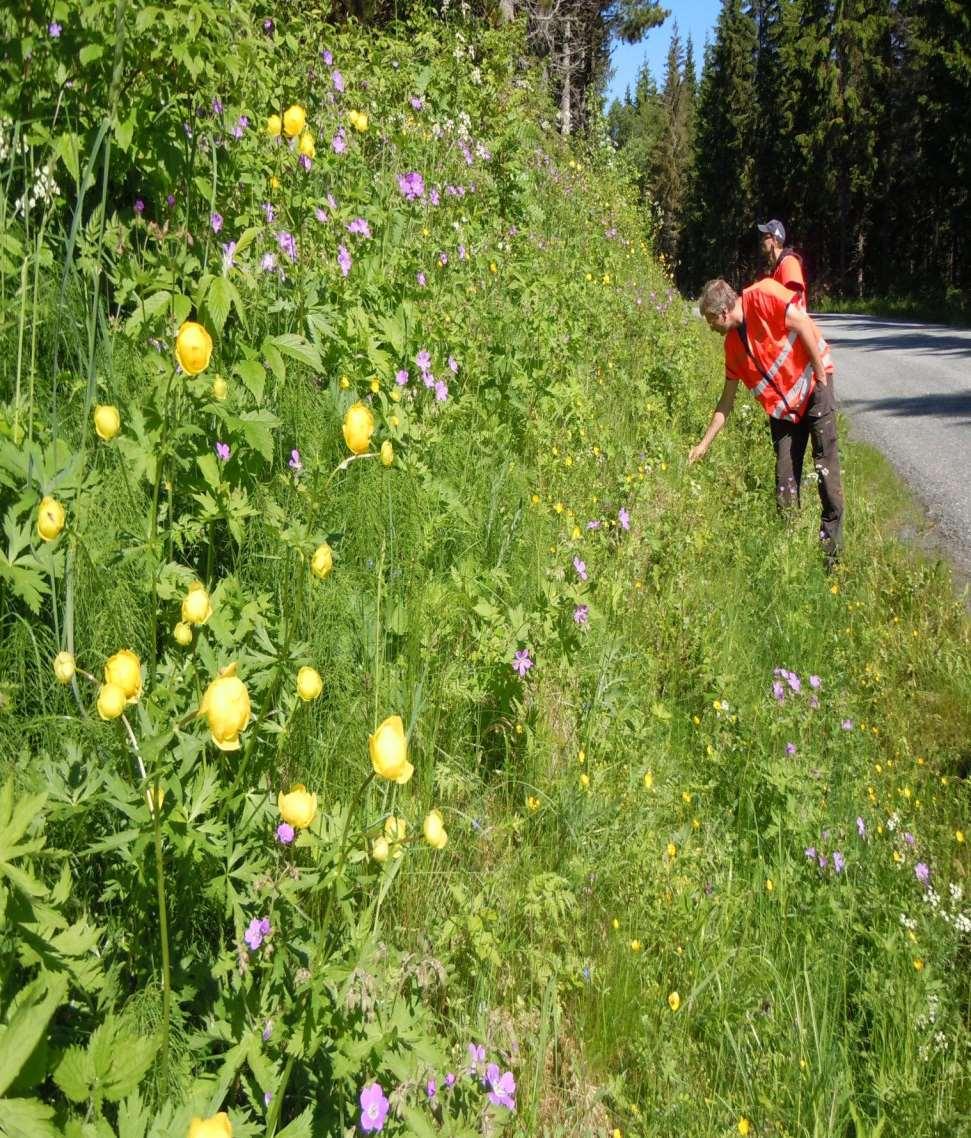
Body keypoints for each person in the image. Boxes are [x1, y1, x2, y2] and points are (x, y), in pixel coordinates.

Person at [688, 277, 844, 565]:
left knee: (824, 466)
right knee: (784, 478)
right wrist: (703, 445)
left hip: (813, 386)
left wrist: (821, 376)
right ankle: (791, 555)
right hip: (784, 412)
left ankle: (831, 556)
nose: (711, 328)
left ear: (723, 312)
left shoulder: (764, 294)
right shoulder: (733, 347)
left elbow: (802, 325)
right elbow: (726, 402)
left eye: (711, 321)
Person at [757, 219, 807, 308]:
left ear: (774, 240)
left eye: (765, 237)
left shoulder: (789, 263)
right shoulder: (777, 268)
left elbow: (794, 303)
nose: (762, 240)